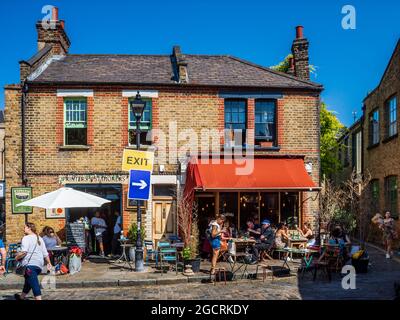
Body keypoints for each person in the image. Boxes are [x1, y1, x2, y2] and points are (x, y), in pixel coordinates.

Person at [14, 223, 52, 301]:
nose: (23, 229)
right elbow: (45, 253)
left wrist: (17, 257)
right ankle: (21, 297)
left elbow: (24, 252)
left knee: (34, 284)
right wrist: (49, 263)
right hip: (39, 266)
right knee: (29, 281)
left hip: (30, 265)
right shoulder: (39, 238)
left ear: (29, 228)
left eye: (24, 227)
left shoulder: (26, 238)